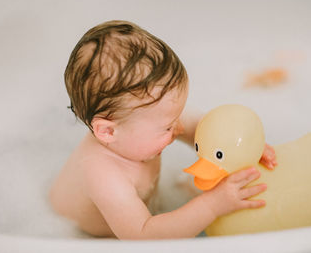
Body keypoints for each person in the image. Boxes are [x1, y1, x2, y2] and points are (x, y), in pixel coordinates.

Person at [49, 20, 277, 240]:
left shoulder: (142, 124)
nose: (178, 126)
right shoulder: (103, 174)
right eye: (168, 126)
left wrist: (241, 146)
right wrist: (213, 205)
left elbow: (200, 126)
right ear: (107, 132)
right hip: (86, 237)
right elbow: (144, 235)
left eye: (175, 118)